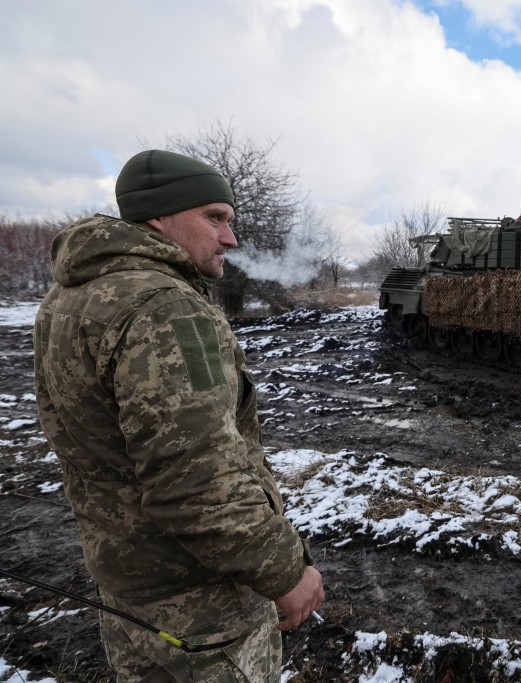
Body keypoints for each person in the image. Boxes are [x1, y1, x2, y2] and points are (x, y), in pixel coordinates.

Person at [33, 149, 324, 682]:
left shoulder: (70, 297)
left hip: (126, 582)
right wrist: (286, 571)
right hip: (198, 599)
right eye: (215, 218)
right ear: (159, 217)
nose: (230, 238)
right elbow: (196, 483)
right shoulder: (166, 307)